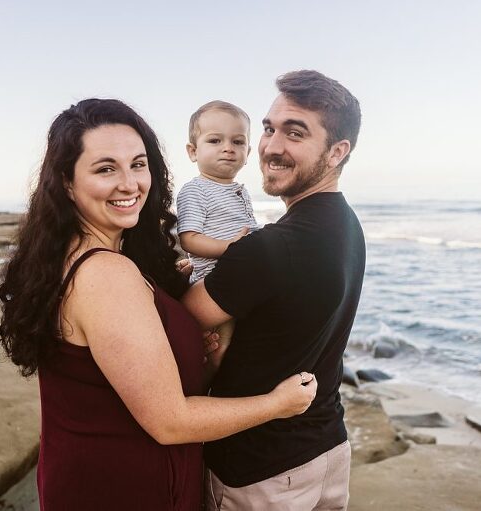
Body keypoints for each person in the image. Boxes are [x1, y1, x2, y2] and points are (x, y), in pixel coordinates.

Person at [0, 98, 318, 511]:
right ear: (67, 181)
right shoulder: (106, 275)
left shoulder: (72, 257)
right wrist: (278, 404)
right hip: (126, 489)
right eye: (105, 168)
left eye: (138, 164)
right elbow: (170, 422)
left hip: (88, 476)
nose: (130, 184)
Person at [182, 70, 365, 511]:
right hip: (327, 450)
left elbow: (181, 320)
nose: (271, 146)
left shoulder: (271, 247)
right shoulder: (348, 227)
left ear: (337, 151)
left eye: (295, 133)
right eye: (268, 129)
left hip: (260, 470)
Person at [176, 100, 259, 380]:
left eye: (238, 141)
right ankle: (203, 392)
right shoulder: (195, 190)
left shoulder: (240, 191)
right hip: (214, 281)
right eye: (215, 140)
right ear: (193, 151)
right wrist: (231, 250)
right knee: (219, 351)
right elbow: (189, 239)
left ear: (248, 152)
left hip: (243, 278)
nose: (228, 148)